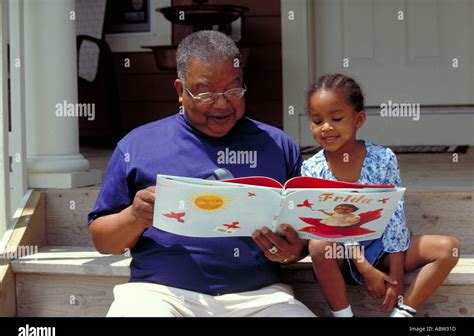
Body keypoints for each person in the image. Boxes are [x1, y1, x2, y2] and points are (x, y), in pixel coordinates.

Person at [88, 30, 315, 317]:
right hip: (161, 295)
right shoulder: (137, 146)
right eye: (206, 92)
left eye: (233, 91)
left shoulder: (277, 146)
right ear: (180, 91)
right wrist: (134, 217)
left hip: (260, 298)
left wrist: (294, 250)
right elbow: (103, 241)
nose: (222, 104)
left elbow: (304, 234)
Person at [302, 73, 460, 317]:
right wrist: (365, 268)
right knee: (320, 245)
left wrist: (396, 278)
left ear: (359, 119)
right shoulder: (312, 168)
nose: (326, 127)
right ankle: (344, 316)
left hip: (381, 249)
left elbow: (395, 217)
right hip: (341, 255)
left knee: (449, 248)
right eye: (317, 120)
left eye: (336, 118)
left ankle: (403, 313)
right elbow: (334, 227)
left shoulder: (383, 158)